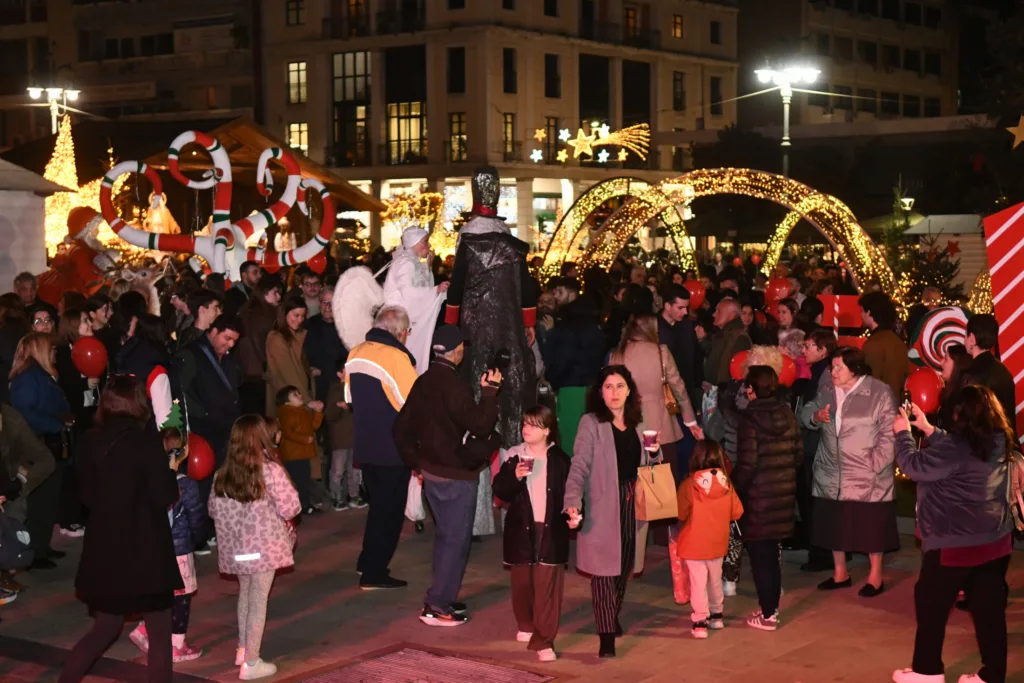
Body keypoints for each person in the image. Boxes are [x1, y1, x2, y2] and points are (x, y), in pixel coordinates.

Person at [58, 376, 181, 683]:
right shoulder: (144, 441)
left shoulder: (90, 439)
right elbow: (163, 495)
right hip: (145, 549)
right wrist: (171, 469)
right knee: (160, 632)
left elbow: (85, 495)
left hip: (106, 547)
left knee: (104, 628)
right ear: (138, 403)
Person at [891, 385, 1016, 683]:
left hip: (953, 545)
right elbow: (962, 453)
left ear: (960, 414)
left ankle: (927, 671)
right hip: (993, 542)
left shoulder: (957, 447)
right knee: (989, 614)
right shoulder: (997, 439)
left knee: (931, 606)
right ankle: (992, 675)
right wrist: (930, 430)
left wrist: (902, 434)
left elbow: (914, 465)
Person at [444, 167, 539, 538]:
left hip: (475, 341)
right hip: (509, 339)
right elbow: (528, 293)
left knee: (476, 423)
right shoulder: (512, 246)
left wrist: (453, 332)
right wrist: (527, 324)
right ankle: (523, 503)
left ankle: (480, 514)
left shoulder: (467, 242)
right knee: (516, 418)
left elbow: (455, 292)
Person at [393, 325, 501, 626]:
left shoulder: (424, 382)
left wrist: (418, 464)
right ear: (457, 351)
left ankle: (443, 595)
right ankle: (437, 606)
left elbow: (399, 429)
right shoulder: (453, 386)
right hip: (455, 476)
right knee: (455, 542)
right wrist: (490, 393)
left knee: (445, 539)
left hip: (432, 474)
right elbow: (481, 425)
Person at [564, 365, 654, 658]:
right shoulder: (591, 423)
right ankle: (606, 637)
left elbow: (652, 466)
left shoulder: (639, 423)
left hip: (632, 502)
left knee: (623, 565)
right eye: (608, 387)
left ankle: (611, 614)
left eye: (619, 386)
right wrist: (572, 499)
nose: (614, 393)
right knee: (603, 572)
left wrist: (654, 453)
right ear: (599, 392)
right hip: (603, 504)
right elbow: (579, 465)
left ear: (629, 390)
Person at [611, 312, 702, 598]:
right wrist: (690, 420)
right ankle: (677, 556)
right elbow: (679, 387)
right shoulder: (661, 352)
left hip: (628, 427)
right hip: (661, 430)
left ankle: (633, 561)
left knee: (632, 494)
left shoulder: (618, 353)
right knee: (663, 494)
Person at [799, 347, 898, 597]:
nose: (833, 372)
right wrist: (815, 416)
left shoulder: (878, 392)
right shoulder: (827, 391)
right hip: (831, 471)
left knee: (871, 527)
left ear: (854, 369)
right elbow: (804, 412)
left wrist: (877, 464)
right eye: (832, 367)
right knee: (835, 524)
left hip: (867, 472)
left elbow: (890, 432)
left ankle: (875, 576)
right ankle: (840, 572)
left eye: (839, 367)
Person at [208, 415, 301, 681]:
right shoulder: (270, 471)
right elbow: (291, 507)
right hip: (264, 549)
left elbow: (212, 511)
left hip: (237, 550)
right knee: (259, 600)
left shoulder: (221, 475)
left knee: (245, 595)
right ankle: (251, 662)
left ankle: (242, 647)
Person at [344, 305, 419, 590]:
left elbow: (349, 398)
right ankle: (374, 572)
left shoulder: (355, 352)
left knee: (377, 508)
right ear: (399, 330)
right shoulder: (396, 357)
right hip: (393, 447)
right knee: (388, 513)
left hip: (366, 444)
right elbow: (412, 405)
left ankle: (367, 561)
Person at [492, 405, 570, 662]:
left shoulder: (559, 459)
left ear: (547, 430)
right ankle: (526, 623)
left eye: (534, 424)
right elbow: (501, 491)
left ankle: (544, 640)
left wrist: (574, 512)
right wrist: (514, 476)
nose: (526, 429)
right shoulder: (514, 456)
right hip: (521, 530)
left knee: (547, 587)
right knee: (522, 584)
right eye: (525, 424)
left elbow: (571, 492)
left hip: (551, 529)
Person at [733, 365, 802, 631]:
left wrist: (736, 489)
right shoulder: (787, 412)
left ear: (751, 389)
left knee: (761, 558)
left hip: (759, 499)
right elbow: (797, 455)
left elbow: (747, 464)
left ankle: (768, 614)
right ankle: (769, 607)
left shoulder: (749, 419)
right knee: (772, 555)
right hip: (782, 495)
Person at [129, 429, 207, 663]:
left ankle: (144, 628)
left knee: (159, 592)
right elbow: (196, 518)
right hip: (179, 549)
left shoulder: (143, 481)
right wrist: (199, 537)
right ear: (181, 454)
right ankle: (176, 644)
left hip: (150, 547)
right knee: (181, 598)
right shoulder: (186, 485)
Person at [171, 314, 243, 551]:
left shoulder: (227, 358)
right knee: (201, 483)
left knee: (219, 482)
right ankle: (197, 535)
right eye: (227, 338)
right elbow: (179, 393)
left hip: (223, 427)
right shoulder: (191, 354)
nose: (230, 344)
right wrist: (202, 415)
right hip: (202, 429)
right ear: (213, 331)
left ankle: (214, 529)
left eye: (234, 341)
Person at [10, 332, 72, 569]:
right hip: (38, 445)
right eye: (51, 349)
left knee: (49, 498)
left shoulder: (40, 375)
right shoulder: (28, 378)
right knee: (40, 500)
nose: (55, 353)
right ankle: (35, 551)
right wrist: (57, 423)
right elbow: (25, 414)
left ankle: (42, 546)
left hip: (48, 443)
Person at [676, 439, 743, 639]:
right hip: (718, 541)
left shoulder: (689, 484)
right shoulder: (726, 484)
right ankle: (717, 615)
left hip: (694, 542)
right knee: (715, 579)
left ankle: (699, 621)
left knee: (698, 582)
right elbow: (737, 511)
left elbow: (680, 512)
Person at [537, 277, 606, 452]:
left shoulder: (570, 320)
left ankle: (573, 475)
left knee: (571, 437)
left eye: (559, 292)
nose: (556, 297)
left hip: (571, 383)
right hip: (587, 382)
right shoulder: (588, 316)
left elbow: (563, 355)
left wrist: (552, 377)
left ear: (572, 293)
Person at [54, 310, 100, 538]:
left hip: (89, 418)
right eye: (83, 321)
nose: (89, 324)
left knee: (88, 467)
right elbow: (66, 391)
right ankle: (68, 518)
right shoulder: (64, 354)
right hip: (72, 421)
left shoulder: (95, 347)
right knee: (74, 469)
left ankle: (84, 513)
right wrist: (85, 383)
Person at [794, 329, 836, 571]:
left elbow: (821, 412)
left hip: (817, 446)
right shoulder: (817, 374)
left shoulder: (826, 376)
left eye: (809, 345)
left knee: (815, 501)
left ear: (823, 350)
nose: (804, 350)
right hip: (813, 444)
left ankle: (822, 554)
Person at [382, 226, 449, 375]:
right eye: (425, 242)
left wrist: (428, 267)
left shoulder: (411, 261)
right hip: (402, 321)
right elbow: (408, 293)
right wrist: (435, 290)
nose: (429, 245)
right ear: (415, 243)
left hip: (407, 320)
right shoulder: (406, 262)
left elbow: (420, 285)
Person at [236, 278, 283, 416]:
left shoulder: (247, 310)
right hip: (259, 373)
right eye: (275, 292)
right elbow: (263, 344)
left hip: (246, 373)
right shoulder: (264, 315)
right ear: (264, 293)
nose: (279, 296)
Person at [275, 385, 324, 514]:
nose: (300, 396)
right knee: (299, 480)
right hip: (294, 454)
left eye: (299, 393)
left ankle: (304, 504)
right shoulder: (287, 412)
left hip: (302, 452)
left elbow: (313, 426)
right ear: (287, 401)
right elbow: (287, 432)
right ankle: (300, 505)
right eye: (295, 395)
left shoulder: (302, 411)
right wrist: (304, 439)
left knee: (304, 480)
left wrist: (318, 412)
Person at [963, 314, 1017, 429]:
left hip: (985, 443)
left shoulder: (972, 373)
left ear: (972, 339)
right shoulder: (1003, 370)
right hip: (1007, 442)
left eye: (965, 335)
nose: (964, 340)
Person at [658, 284, 704, 416]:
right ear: (667, 306)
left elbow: (696, 357)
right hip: (664, 396)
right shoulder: (653, 328)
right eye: (680, 308)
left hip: (687, 393)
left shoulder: (687, 326)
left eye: (686, 308)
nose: (685, 312)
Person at [324, 361, 362, 510]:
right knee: (338, 470)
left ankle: (354, 495)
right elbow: (329, 414)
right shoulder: (335, 389)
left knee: (355, 470)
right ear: (340, 374)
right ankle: (336, 497)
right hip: (340, 438)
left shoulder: (356, 389)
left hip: (354, 437)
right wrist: (337, 406)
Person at [265, 297, 311, 419]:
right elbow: (287, 372)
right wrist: (306, 399)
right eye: (296, 315)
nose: (300, 320)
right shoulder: (276, 338)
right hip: (288, 399)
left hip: (297, 395)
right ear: (285, 313)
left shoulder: (298, 334)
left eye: (302, 316)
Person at [859, 291, 907, 402]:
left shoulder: (873, 344)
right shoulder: (898, 342)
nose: (861, 315)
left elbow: (870, 383)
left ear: (869, 313)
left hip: (879, 407)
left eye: (861, 311)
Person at [698, 297, 752, 388]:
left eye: (718, 311)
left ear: (732, 315)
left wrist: (723, 391)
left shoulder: (739, 338)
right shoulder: (723, 333)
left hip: (726, 395)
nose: (714, 314)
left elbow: (737, 373)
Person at [304, 284, 345, 403]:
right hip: (318, 385)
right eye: (324, 302)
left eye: (331, 302)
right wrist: (308, 368)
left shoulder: (346, 325)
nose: (328, 306)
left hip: (340, 384)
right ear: (319, 303)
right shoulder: (309, 325)